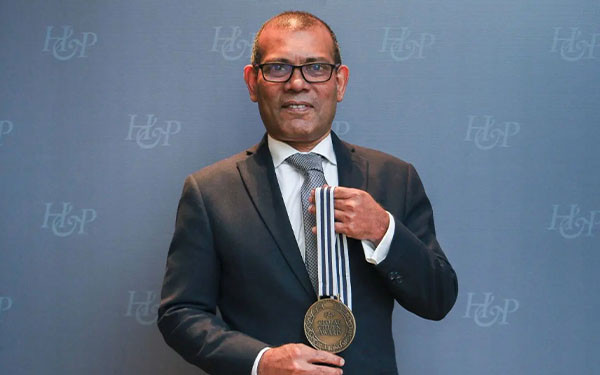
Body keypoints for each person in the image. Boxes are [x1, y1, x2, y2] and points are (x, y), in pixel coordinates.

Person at [158, 11, 458, 375]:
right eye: (278, 68)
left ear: (340, 82)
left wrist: (383, 231)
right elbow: (180, 313)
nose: (297, 83)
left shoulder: (395, 178)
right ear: (253, 82)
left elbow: (438, 298)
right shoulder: (209, 192)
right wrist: (261, 361)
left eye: (315, 67)